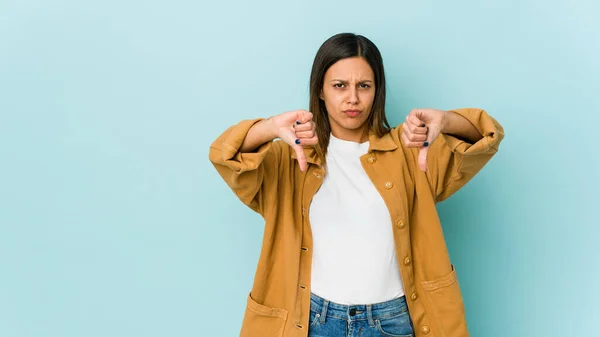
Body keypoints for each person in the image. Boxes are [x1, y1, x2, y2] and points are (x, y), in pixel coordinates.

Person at [209, 32, 504, 337]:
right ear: (321, 90)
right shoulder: (290, 159)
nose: (353, 98)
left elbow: (485, 137)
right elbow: (225, 155)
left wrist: (446, 120)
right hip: (311, 321)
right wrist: (269, 127)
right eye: (340, 86)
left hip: (395, 320)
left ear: (377, 91)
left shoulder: (410, 151)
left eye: (364, 86)